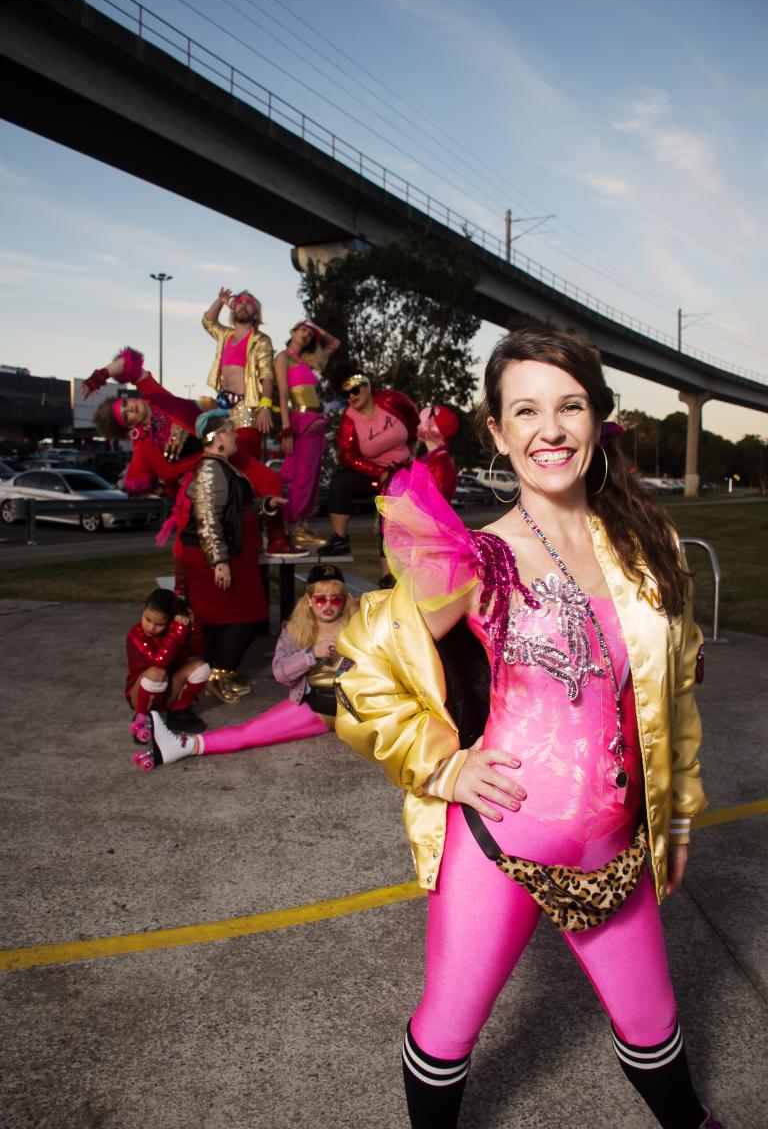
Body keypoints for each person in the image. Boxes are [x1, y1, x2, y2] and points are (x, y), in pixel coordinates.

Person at [335, 330, 722, 1129]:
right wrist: (442, 767)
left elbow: (674, 693)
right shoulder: (475, 557)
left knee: (653, 1026)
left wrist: (677, 811)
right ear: (500, 431)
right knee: (447, 1032)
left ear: (597, 418)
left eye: (569, 406)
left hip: (615, 845)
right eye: (527, 411)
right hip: (501, 843)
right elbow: (362, 671)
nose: (550, 429)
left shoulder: (650, 551)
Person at [84, 348, 304, 558]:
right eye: (125, 415)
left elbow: (128, 363)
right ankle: (182, 586)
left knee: (271, 481)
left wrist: (99, 376)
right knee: (190, 530)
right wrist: (169, 484)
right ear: (127, 426)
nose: (130, 408)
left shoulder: (154, 395)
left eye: (126, 403)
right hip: (200, 480)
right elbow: (138, 480)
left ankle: (277, 542)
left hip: (226, 451)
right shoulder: (142, 445)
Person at [133, 565, 357, 770]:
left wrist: (345, 663)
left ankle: (181, 746)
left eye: (335, 600)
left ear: (344, 600)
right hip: (319, 708)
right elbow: (280, 673)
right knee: (251, 733)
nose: (328, 605)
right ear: (308, 599)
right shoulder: (295, 630)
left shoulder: (359, 625)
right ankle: (184, 745)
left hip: (358, 709)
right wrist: (312, 654)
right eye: (320, 599)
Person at [179, 410, 286, 703]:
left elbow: (235, 511)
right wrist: (219, 561)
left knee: (220, 619)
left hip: (229, 555)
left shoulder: (222, 467)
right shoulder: (212, 469)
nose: (236, 434)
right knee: (247, 617)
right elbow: (208, 518)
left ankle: (217, 674)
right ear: (215, 438)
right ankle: (220, 674)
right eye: (230, 430)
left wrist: (265, 505)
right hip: (219, 558)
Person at [316, 365, 419, 577]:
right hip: (374, 473)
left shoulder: (391, 401)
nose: (351, 396)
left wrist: (412, 454)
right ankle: (340, 539)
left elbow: (414, 420)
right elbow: (348, 456)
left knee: (390, 514)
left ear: (367, 386)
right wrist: (377, 472)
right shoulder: (349, 419)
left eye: (355, 390)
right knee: (340, 482)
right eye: (346, 394)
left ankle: (387, 577)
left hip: (403, 472)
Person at [274, 320, 340, 546]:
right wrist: (286, 429)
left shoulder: (307, 361)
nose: (307, 335)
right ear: (292, 331)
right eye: (302, 330)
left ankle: (302, 528)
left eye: (310, 334)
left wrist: (314, 325)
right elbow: (283, 394)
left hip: (316, 422)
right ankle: (288, 529)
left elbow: (334, 343)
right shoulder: (283, 357)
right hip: (299, 422)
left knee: (311, 478)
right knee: (300, 478)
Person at [126, 587, 210, 745]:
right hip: (141, 694)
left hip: (169, 690)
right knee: (157, 673)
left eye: (159, 624)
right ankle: (143, 719)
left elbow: (198, 650)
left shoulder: (174, 631)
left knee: (201, 667)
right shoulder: (135, 635)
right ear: (143, 609)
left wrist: (191, 627)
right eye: (147, 619)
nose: (151, 627)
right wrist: (176, 631)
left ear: (171, 621)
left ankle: (178, 712)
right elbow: (159, 662)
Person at [203, 288, 275, 442]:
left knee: (246, 452)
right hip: (224, 405)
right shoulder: (225, 335)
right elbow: (208, 322)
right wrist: (221, 302)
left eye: (248, 304)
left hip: (247, 406)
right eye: (239, 302)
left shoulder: (260, 340)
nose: (243, 305)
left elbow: (267, 375)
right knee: (223, 452)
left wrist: (265, 406)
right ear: (233, 309)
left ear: (255, 314)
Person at [415, 403, 459, 502]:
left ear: (433, 429)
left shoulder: (442, 464)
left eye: (421, 421)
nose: (416, 424)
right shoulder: (428, 459)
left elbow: (437, 500)